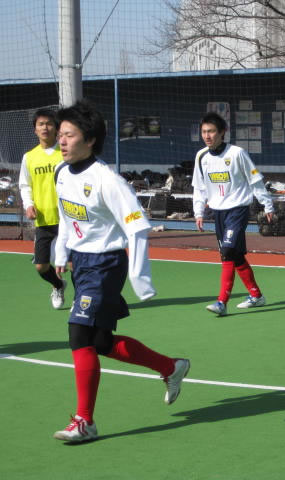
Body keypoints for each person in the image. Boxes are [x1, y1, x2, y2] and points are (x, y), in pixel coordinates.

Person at [52, 100, 190, 443]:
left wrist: (140, 277)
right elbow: (66, 217)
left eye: (69, 135)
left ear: (90, 140)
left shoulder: (107, 180)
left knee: (78, 335)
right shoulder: (61, 173)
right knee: (100, 342)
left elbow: (137, 227)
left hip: (105, 264)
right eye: (60, 134)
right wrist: (61, 251)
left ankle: (85, 421)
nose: (61, 141)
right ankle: (171, 367)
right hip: (82, 263)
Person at [192, 112, 274, 316]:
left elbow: (255, 181)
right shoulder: (201, 156)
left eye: (211, 131)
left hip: (238, 210)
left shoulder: (237, 153)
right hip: (218, 213)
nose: (207, 136)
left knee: (227, 251)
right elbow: (199, 189)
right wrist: (198, 212)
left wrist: (267, 205)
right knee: (235, 256)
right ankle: (256, 295)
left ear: (223, 132)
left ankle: (221, 302)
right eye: (204, 132)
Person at [18, 108, 67, 308]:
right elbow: (25, 185)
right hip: (44, 219)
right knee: (41, 266)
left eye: (49, 123)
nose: (45, 127)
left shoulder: (65, 152)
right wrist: (29, 205)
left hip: (68, 218)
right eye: (41, 124)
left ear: (56, 128)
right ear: (35, 129)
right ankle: (58, 285)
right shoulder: (29, 157)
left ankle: (81, 300)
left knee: (73, 264)